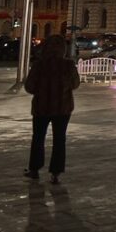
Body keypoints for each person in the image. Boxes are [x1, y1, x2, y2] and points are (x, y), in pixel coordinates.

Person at [24, 36, 80, 184]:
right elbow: (75, 84)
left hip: (41, 108)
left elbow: (29, 87)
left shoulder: (39, 65)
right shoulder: (68, 65)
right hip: (62, 108)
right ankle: (56, 173)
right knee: (59, 139)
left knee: (38, 138)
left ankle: (35, 169)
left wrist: (41, 91)